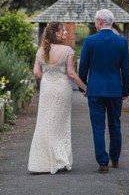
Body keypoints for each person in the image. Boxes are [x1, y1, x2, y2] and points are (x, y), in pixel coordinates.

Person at [28, 22, 86, 174]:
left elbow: (36, 72)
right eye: (63, 30)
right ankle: (59, 159)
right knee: (60, 124)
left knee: (45, 121)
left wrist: (48, 78)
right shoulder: (67, 50)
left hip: (47, 88)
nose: (66, 33)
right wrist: (86, 87)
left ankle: (44, 162)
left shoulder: (41, 51)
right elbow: (71, 74)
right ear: (56, 34)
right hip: (62, 88)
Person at [78, 9, 129, 173]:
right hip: (115, 90)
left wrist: (83, 87)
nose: (95, 24)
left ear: (100, 22)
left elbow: (83, 67)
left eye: (95, 22)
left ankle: (102, 162)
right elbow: (126, 69)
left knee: (98, 127)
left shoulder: (90, 41)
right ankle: (115, 159)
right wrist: (125, 91)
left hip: (95, 91)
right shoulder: (121, 42)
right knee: (115, 125)